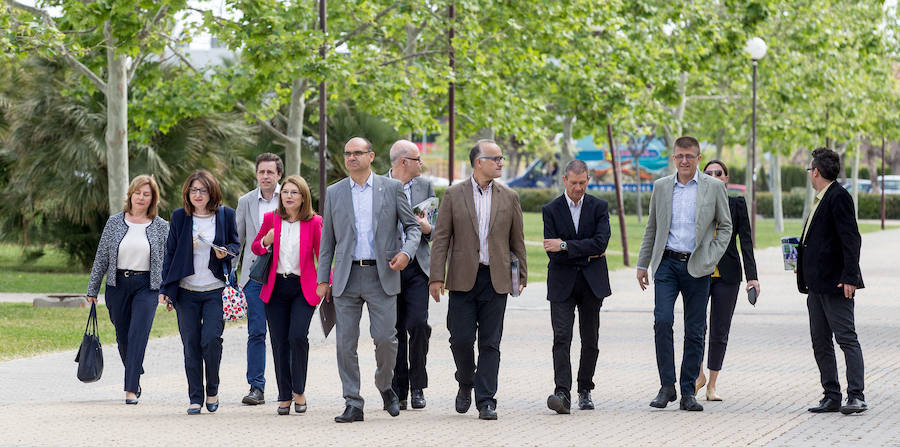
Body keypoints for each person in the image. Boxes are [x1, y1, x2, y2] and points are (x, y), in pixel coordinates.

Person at [316, 137, 421, 423]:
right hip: (346, 278)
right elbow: (327, 242)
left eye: (357, 153)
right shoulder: (334, 192)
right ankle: (353, 402)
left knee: (386, 339)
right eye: (347, 153)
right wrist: (322, 279)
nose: (351, 157)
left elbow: (412, 228)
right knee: (345, 344)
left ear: (371, 156)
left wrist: (406, 253)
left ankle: (385, 386)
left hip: (381, 274)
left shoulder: (392, 188)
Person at [429, 139, 527, 421]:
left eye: (501, 158)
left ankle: (486, 400)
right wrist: (437, 276)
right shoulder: (453, 194)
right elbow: (442, 238)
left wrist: (521, 275)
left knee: (490, 342)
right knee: (460, 339)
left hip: (496, 280)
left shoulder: (510, 197)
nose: (501, 163)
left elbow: (516, 240)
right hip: (461, 279)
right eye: (496, 158)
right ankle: (465, 381)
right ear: (478, 162)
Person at [636, 136, 732, 412]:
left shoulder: (713, 187)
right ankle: (667, 387)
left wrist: (710, 257)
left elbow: (725, 227)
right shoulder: (661, 186)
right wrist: (643, 264)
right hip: (666, 263)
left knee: (695, 330)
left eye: (690, 156)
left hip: (697, 266)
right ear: (674, 158)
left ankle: (688, 389)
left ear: (699, 158)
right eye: (680, 156)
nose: (685, 161)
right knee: (662, 321)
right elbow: (652, 227)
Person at [159, 170, 240, 415]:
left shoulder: (225, 215)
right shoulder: (180, 217)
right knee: (191, 344)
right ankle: (195, 397)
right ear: (187, 193)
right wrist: (166, 289)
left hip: (215, 289)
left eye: (202, 190)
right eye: (193, 190)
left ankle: (212, 389)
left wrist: (225, 251)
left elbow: (236, 245)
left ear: (211, 192)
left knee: (211, 341)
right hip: (186, 291)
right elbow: (170, 253)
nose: (197, 194)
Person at [86, 175, 169, 405]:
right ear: (130, 194)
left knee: (137, 335)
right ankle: (135, 371)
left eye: (146, 194)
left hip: (147, 287)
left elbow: (167, 261)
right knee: (122, 337)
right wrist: (92, 289)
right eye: (138, 193)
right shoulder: (114, 222)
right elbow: (101, 257)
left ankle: (130, 389)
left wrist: (169, 290)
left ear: (153, 198)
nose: (141, 198)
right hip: (117, 285)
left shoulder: (162, 226)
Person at [798, 147, 867, 415]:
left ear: (815, 172)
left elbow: (851, 239)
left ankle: (857, 396)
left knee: (846, 338)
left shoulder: (838, 197)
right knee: (820, 340)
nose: (809, 174)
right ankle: (831, 395)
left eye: (810, 170)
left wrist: (850, 276)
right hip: (816, 286)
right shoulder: (821, 198)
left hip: (837, 285)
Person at [541, 160, 611, 414]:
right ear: (564, 180)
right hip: (562, 283)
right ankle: (562, 391)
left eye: (583, 183)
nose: (578, 188)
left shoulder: (599, 207)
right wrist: (585, 250)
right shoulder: (550, 210)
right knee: (562, 337)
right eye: (574, 183)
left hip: (592, 284)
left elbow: (601, 244)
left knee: (590, 338)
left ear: (588, 180)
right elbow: (552, 253)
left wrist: (566, 245)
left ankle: (585, 389)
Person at [252, 175, 325, 415]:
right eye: (286, 192)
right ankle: (284, 395)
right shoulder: (271, 219)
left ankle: (299, 391)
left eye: (295, 192)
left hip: (303, 288)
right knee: (279, 342)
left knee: (297, 337)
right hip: (276, 289)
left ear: (303, 197)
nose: (289, 196)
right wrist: (266, 239)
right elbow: (255, 247)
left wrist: (325, 283)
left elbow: (323, 255)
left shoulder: (314, 222)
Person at [694, 160, 760, 401]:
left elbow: (746, 242)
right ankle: (698, 375)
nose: (713, 176)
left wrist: (752, 278)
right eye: (708, 172)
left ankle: (711, 385)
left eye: (718, 173)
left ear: (726, 178)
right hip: (699, 273)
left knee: (720, 330)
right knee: (696, 327)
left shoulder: (736, 203)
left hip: (728, 275)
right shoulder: (695, 202)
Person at [385, 140, 436, 410]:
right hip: (389, 267)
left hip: (417, 267)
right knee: (393, 330)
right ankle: (398, 388)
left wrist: (428, 228)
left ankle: (418, 386)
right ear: (403, 161)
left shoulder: (425, 186)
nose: (421, 164)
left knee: (417, 324)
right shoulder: (379, 185)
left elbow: (436, 226)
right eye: (418, 159)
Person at [235, 153, 283, 405]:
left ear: (279, 175)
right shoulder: (245, 202)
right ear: (256, 174)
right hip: (254, 277)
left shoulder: (290, 198)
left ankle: (287, 388)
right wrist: (230, 275)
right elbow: (238, 240)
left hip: (285, 275)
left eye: (270, 172)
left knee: (283, 334)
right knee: (256, 332)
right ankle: (256, 387)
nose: (265, 176)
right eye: (261, 172)